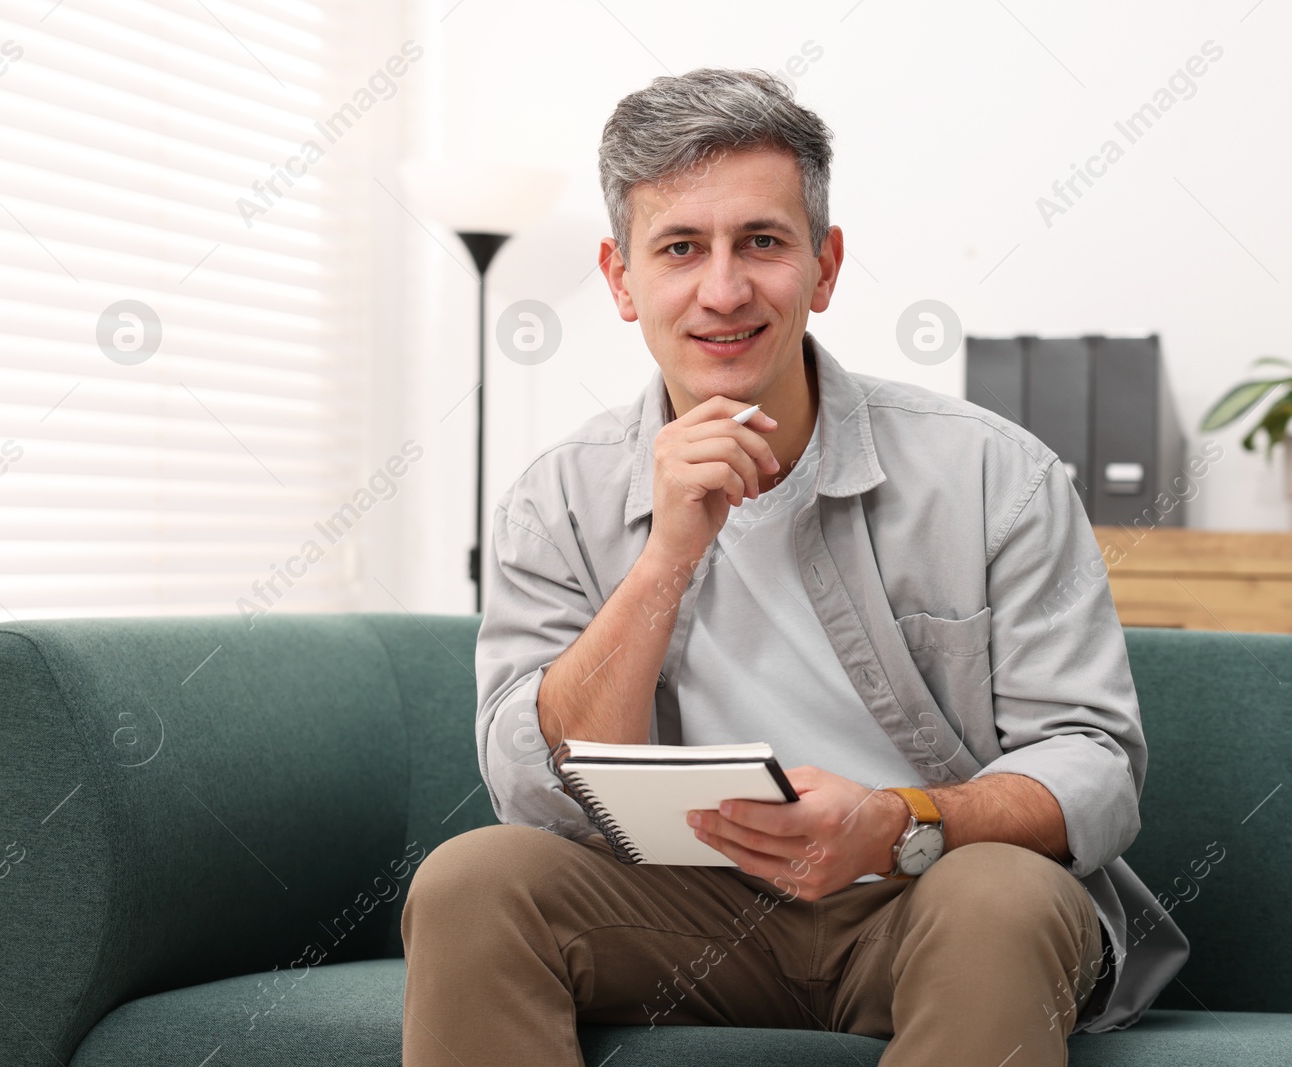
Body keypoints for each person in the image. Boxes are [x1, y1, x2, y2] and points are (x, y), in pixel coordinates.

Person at [401, 68, 1189, 1067]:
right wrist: (667, 556)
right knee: (474, 878)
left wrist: (897, 822)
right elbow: (540, 793)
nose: (722, 290)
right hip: (680, 916)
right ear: (619, 277)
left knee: (999, 892)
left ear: (823, 267)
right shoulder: (557, 499)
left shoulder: (995, 473)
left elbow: (1093, 766)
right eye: (680, 247)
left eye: (762, 243)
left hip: (927, 897)